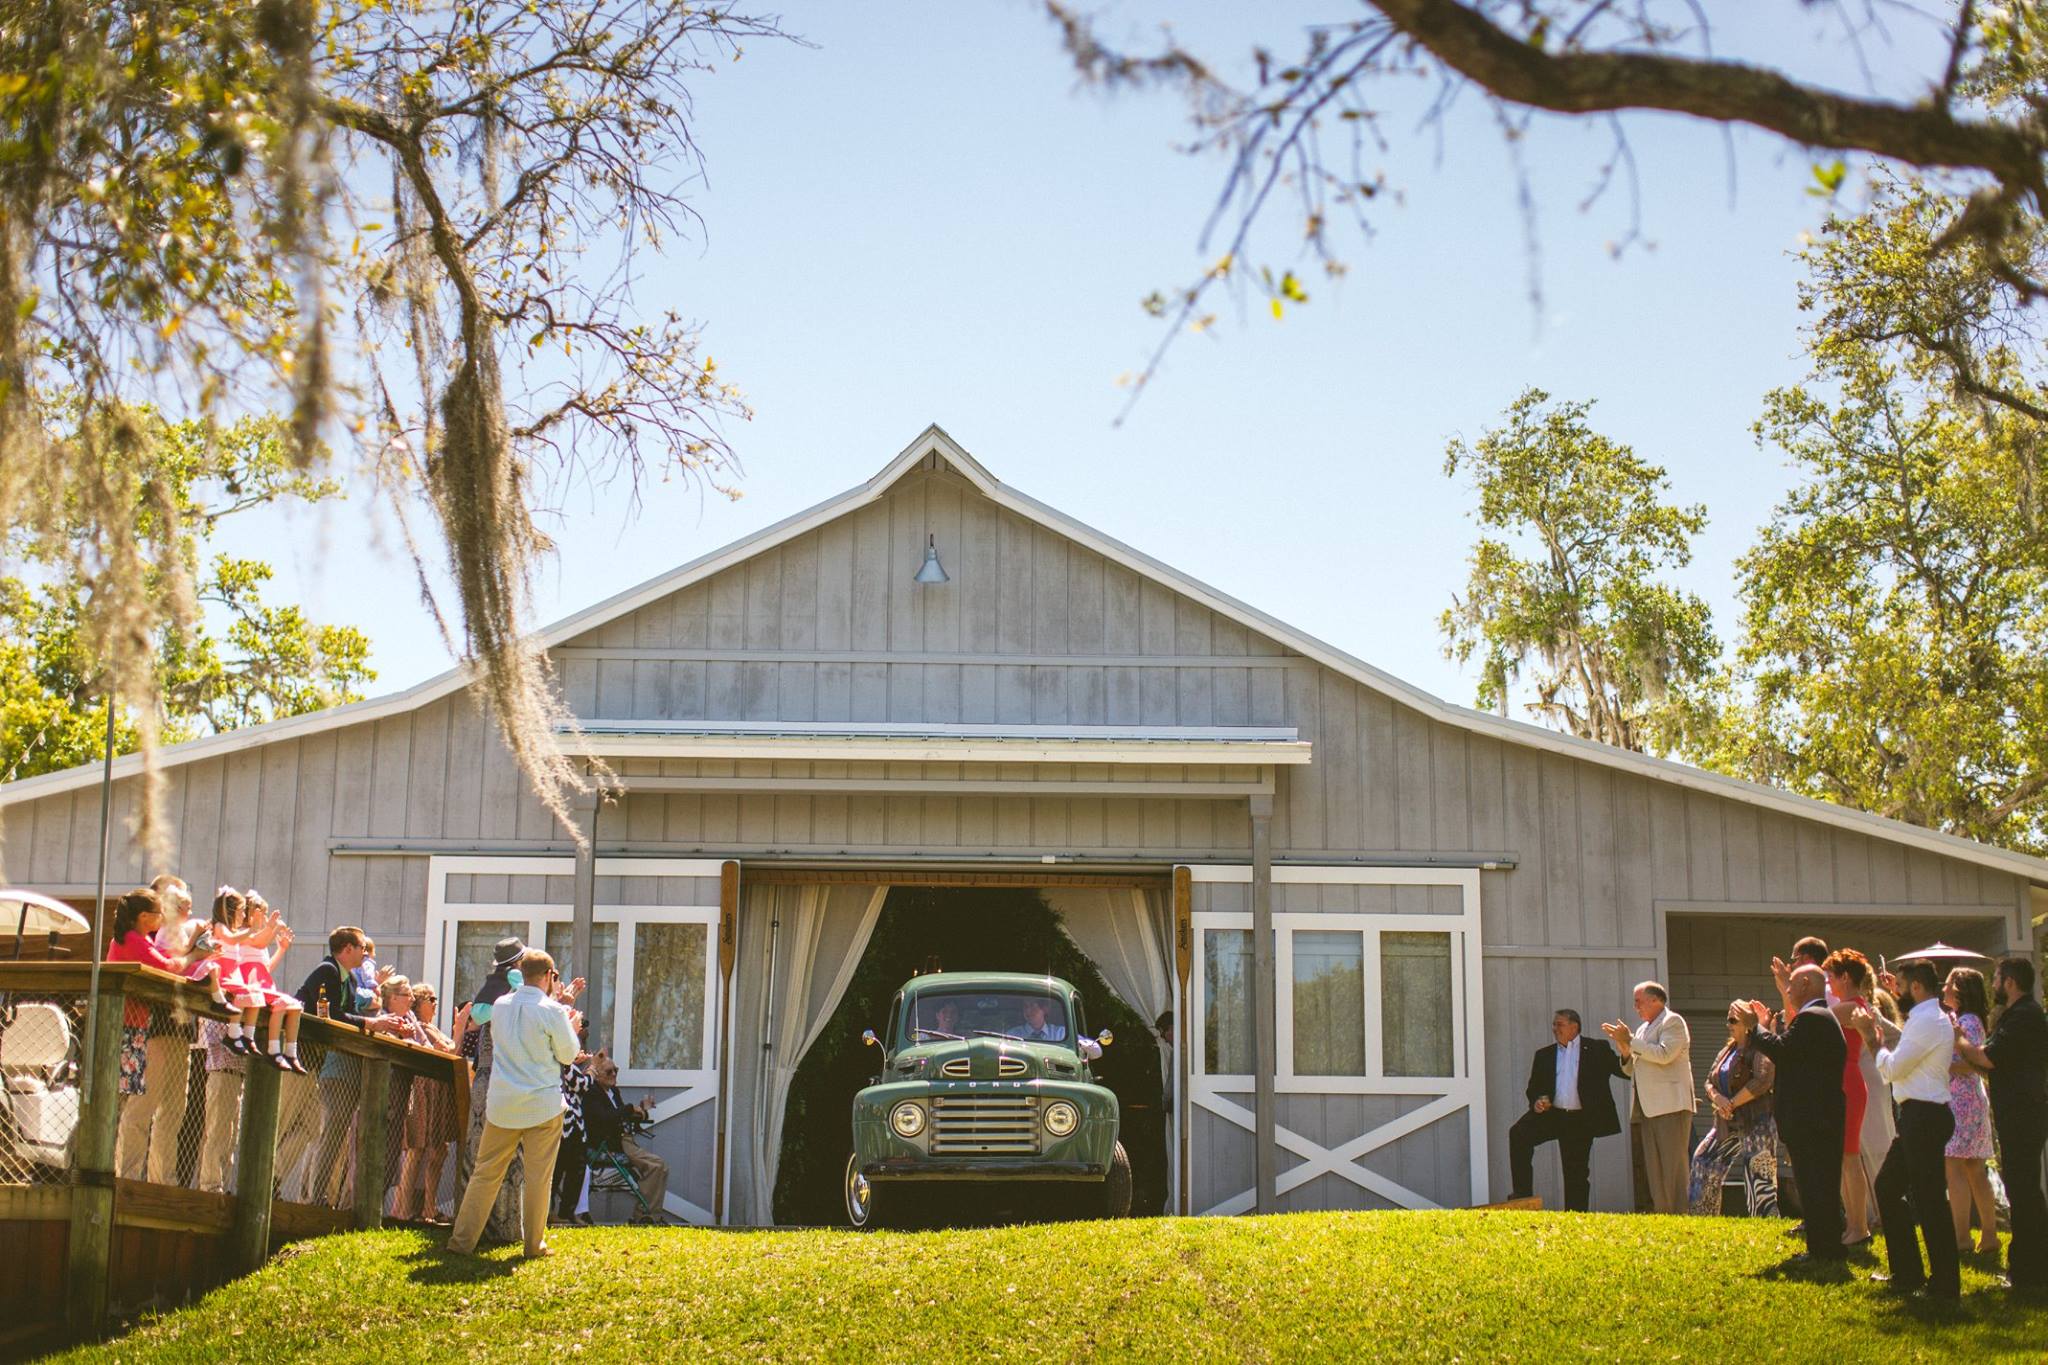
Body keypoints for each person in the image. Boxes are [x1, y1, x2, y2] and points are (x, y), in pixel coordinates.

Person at [448, 950, 584, 1258]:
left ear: (521, 975)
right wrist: (572, 1030)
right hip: (542, 1104)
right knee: (538, 1177)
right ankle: (533, 1245)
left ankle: (461, 1242)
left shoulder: (500, 1006)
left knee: (485, 1173)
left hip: (503, 1102)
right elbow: (567, 1055)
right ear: (549, 976)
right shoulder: (553, 1011)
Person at [1852, 959, 1961, 1300]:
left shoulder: (1927, 1021)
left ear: (1915, 987)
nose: (1895, 991)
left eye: (1899, 985)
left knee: (1930, 1201)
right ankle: (1908, 1272)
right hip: (1917, 1115)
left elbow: (1894, 1069)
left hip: (1925, 1117)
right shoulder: (1923, 1018)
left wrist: (1870, 1037)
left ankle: (1944, 1285)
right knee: (1887, 1187)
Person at [106, 886, 220, 1181]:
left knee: (168, 1108)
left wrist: (193, 951)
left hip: (147, 1026)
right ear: (146, 916)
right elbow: (167, 966)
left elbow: (171, 961)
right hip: (140, 1027)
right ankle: (128, 1175)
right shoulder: (135, 939)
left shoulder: (143, 938)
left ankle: (159, 1178)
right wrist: (195, 954)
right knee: (140, 1105)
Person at [1952, 955, 2048, 1296]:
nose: (1993, 986)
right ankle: (2029, 1266)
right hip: (2021, 1113)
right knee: (2023, 1190)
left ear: (2009, 982)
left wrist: (1958, 1038)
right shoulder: (2024, 1015)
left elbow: (1986, 1057)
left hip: (2024, 1114)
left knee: (2023, 1192)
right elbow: (1993, 1066)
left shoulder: (2023, 1017)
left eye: (1996, 980)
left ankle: (2029, 1271)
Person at [295, 926, 409, 1203]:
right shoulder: (328, 972)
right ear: (348, 949)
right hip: (316, 1062)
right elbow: (331, 1014)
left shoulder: (346, 979)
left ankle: (321, 1196)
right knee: (328, 1134)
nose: (366, 954)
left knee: (331, 1135)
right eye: (362, 949)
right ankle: (313, 1198)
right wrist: (373, 1022)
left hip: (329, 1064)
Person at [1746, 964, 1847, 1260]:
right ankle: (1827, 1246)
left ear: (1806, 983)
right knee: (1821, 1185)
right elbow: (1796, 1055)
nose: (1787, 990)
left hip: (1812, 1117)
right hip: (1822, 1115)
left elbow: (1783, 1050)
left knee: (1814, 1185)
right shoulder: (1821, 1017)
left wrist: (1757, 1026)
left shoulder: (1812, 1017)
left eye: (1790, 984)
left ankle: (1822, 1249)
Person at [1507, 1008, 1623, 1211]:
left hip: (1580, 1119)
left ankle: (1575, 1215)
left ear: (1574, 1027)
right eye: (1553, 1024)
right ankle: (1522, 1196)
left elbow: (1622, 1070)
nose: (1554, 1029)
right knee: (1518, 1134)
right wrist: (1537, 1101)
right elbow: (1534, 1088)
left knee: (1576, 1172)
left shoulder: (1596, 1049)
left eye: (1559, 1024)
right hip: (1552, 1115)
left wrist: (1626, 1046)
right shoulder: (1544, 1055)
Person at [456, 938, 530, 1245]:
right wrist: (512, 992)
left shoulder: (521, 990)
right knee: (483, 1156)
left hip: (507, 1078)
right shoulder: (496, 985)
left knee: (512, 1158)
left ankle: (507, 1227)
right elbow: (480, 1015)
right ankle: (477, 1228)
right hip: (491, 1079)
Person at [1601, 982, 1693, 1214]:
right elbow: (1631, 1069)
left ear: (1656, 1000)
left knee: (1673, 1166)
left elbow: (1665, 1055)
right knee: (1654, 1167)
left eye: (1639, 1001)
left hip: (1670, 1105)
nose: (1635, 1007)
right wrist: (1624, 1049)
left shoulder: (1672, 1022)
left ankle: (1680, 1214)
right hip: (1647, 1106)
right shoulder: (1643, 1030)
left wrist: (1630, 1040)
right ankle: (1663, 1214)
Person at [1688, 1002, 1778, 1218]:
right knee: (1703, 1160)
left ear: (1747, 1024)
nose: (1728, 1024)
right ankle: (1703, 1219)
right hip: (1726, 1122)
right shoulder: (1726, 1051)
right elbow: (1710, 1080)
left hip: (1756, 1121)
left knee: (1758, 1172)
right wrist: (1719, 1099)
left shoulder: (1759, 1049)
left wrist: (1733, 1103)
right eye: (1727, 1019)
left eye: (1733, 1020)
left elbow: (1763, 1080)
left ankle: (1766, 1222)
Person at [1823, 948, 1886, 1245]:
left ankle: (1859, 1227)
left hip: (1849, 1080)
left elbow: (1814, 1018)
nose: (1829, 984)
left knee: (1850, 1157)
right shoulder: (1858, 1005)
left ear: (1845, 977)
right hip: (1845, 1080)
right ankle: (1853, 1224)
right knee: (1844, 1156)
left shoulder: (1850, 1008)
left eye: (1831, 977)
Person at [1941, 966, 1998, 1258]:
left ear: (1961, 990)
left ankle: (1962, 1236)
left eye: (1949, 984)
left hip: (1963, 1100)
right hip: (1965, 1100)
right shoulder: (1959, 1020)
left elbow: (1972, 1062)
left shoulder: (1968, 1022)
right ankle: (1988, 1235)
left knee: (1956, 1166)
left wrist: (1942, 1066)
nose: (1944, 988)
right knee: (1974, 1168)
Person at [396, 983, 459, 1223]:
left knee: (437, 1149)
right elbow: (449, 1048)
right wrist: (460, 1028)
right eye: (430, 999)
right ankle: (401, 1208)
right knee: (416, 1148)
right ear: (418, 1003)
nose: (435, 1003)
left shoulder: (431, 1027)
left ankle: (428, 1208)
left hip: (437, 1094)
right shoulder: (421, 1027)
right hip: (422, 1093)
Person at [582, 1051, 669, 1222]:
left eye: (616, 1070)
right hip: (610, 1144)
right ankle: (644, 1215)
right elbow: (604, 1118)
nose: (614, 1074)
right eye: (609, 1072)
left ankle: (650, 1214)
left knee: (661, 1167)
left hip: (625, 1140)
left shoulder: (613, 1091)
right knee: (657, 1166)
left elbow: (620, 1114)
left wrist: (641, 1111)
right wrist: (629, 1109)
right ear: (597, 1075)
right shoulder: (592, 1093)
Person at [194, 1016, 246, 1194]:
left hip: (238, 1076)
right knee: (218, 1133)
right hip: (221, 1073)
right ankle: (210, 1186)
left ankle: (222, 1185)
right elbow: (219, 1033)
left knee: (230, 1138)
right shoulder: (221, 1008)